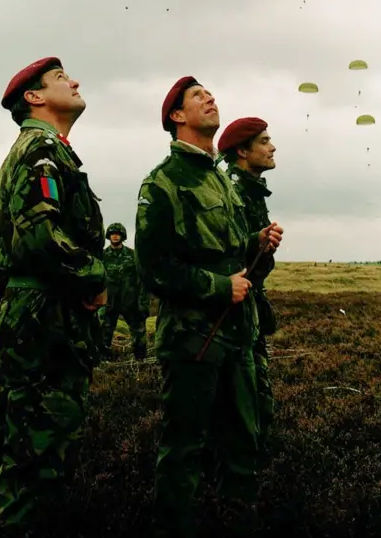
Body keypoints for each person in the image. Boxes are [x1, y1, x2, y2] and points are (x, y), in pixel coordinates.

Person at [135, 76, 283, 537]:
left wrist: (256, 244)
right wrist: (218, 287)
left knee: (242, 443)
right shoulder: (163, 182)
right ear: (177, 117)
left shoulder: (220, 181)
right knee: (184, 450)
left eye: (210, 93)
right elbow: (154, 268)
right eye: (198, 96)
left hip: (236, 335)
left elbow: (230, 251)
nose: (210, 98)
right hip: (192, 339)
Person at [0, 56, 107, 538]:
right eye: (60, 79)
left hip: (33, 318)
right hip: (47, 323)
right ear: (35, 97)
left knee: (10, 449)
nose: (74, 81)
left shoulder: (42, 151)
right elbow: (38, 239)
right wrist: (93, 278)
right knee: (40, 462)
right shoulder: (41, 153)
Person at [217, 118, 278, 465]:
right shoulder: (236, 191)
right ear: (242, 151)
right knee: (244, 401)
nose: (272, 148)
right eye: (264, 141)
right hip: (233, 311)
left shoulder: (250, 189)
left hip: (246, 307)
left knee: (253, 399)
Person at [100, 222, 150, 360]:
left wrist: (143, 302)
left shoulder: (133, 256)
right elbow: (98, 280)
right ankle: (104, 363)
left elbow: (142, 280)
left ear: (122, 236)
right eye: (112, 234)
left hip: (130, 300)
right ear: (109, 236)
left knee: (139, 332)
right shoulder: (103, 256)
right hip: (110, 301)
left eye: (117, 234)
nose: (115, 236)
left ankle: (141, 361)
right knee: (105, 331)